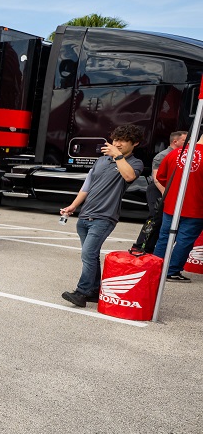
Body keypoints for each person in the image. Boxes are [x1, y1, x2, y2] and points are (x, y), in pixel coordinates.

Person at [60, 124, 144, 307]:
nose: (117, 144)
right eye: (116, 140)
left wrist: (118, 156)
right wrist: (73, 206)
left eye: (123, 141)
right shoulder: (102, 160)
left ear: (135, 143)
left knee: (88, 254)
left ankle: (81, 292)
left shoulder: (135, 163)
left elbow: (129, 177)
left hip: (104, 217)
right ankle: (94, 290)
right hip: (85, 215)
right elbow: (87, 186)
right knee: (92, 255)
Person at [151, 134, 203, 282]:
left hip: (172, 204)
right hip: (196, 207)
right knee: (184, 240)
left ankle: (156, 268)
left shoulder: (176, 152)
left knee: (165, 237)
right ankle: (172, 270)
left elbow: (161, 176)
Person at [132, 130, 188, 253]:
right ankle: (140, 245)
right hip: (158, 189)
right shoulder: (162, 156)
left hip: (170, 191)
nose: (188, 143)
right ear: (175, 141)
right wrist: (165, 194)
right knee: (155, 217)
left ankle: (153, 247)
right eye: (185, 140)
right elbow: (157, 178)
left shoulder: (184, 155)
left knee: (166, 220)